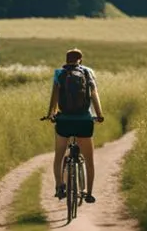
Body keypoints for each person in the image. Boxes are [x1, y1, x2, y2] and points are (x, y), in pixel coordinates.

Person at [45, 48, 104, 203]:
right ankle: (89, 193)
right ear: (81, 60)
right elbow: (94, 95)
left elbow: (54, 97)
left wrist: (51, 114)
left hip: (64, 122)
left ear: (66, 60)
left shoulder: (59, 73)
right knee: (89, 161)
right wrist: (99, 114)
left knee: (59, 157)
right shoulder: (88, 72)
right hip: (84, 122)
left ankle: (60, 186)